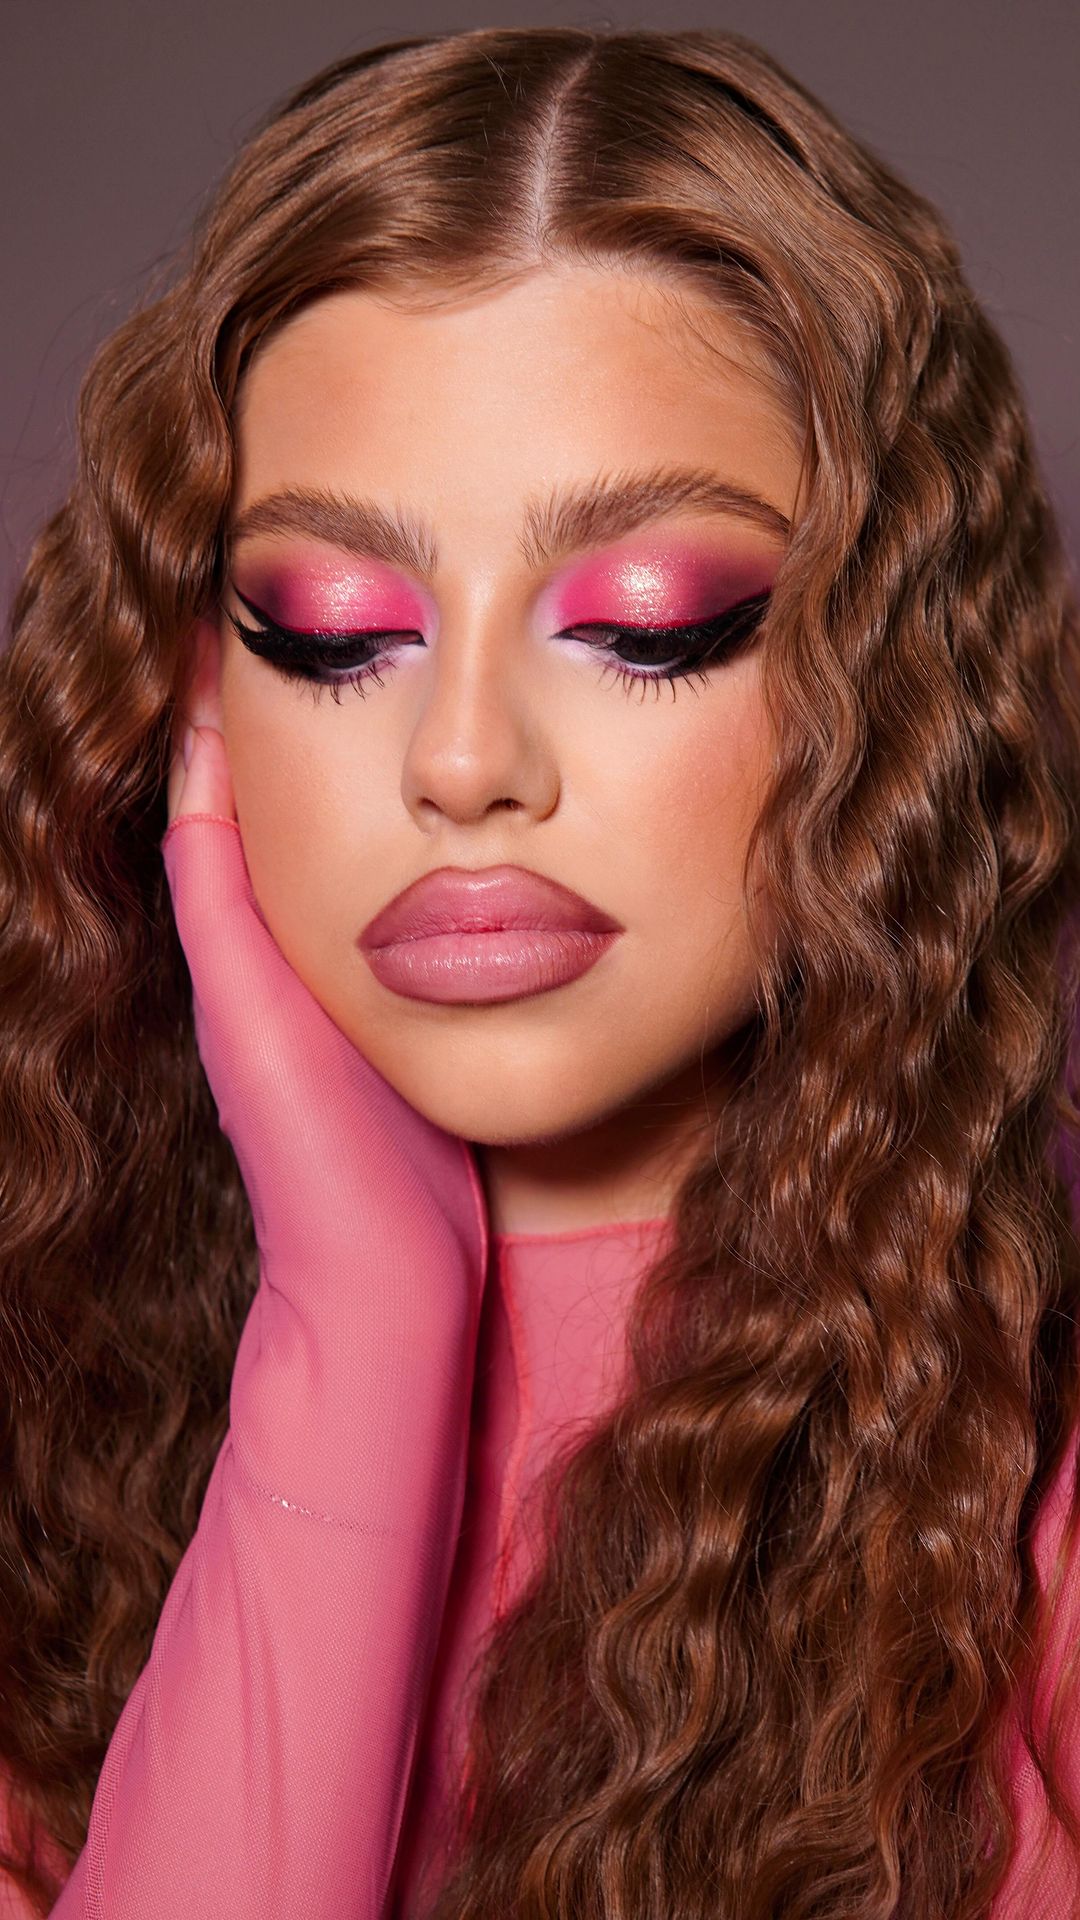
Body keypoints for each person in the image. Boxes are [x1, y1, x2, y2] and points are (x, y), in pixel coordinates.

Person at [1, 22, 1079, 1919]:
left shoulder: (1032, 1473)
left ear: (886, 685)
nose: (461, 758)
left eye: (648, 625)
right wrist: (361, 1325)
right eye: (335, 630)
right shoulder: (37, 1434)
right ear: (192, 695)